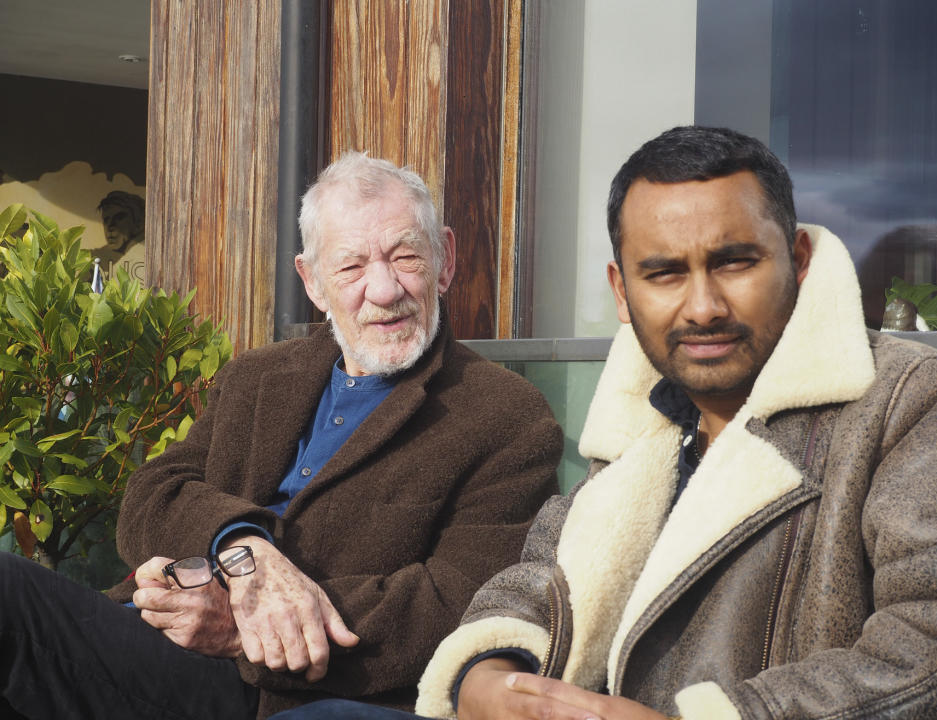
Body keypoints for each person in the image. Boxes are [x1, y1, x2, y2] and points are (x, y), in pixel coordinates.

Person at [413, 126, 937, 718]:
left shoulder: (908, 398)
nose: (703, 308)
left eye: (735, 262)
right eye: (665, 273)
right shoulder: (645, 417)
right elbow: (548, 579)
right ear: (622, 292)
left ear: (798, 261)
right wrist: (488, 674)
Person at [0, 152, 562, 719]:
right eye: (351, 268)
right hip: (151, 637)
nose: (385, 289)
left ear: (445, 260)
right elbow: (153, 491)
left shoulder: (506, 416)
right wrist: (243, 547)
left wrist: (243, 628)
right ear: (312, 282)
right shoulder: (258, 375)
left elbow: (452, 604)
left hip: (278, 692)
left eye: (406, 256)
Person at [93, 190, 145, 266]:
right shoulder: (94, 258)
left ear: (138, 224)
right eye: (106, 220)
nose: (110, 226)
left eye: (119, 218)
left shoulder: (146, 254)